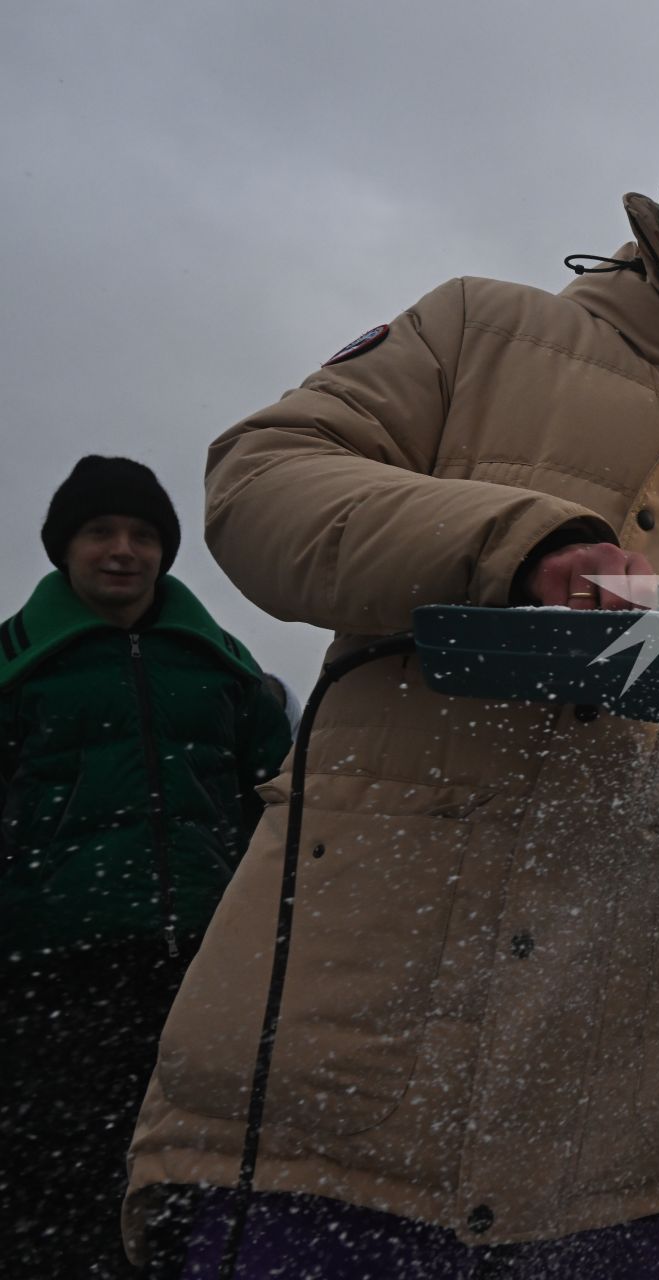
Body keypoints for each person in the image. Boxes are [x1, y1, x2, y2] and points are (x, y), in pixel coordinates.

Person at [124, 92, 659, 1276]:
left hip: (643, 1129)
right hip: (341, 1093)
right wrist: (519, 541)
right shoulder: (483, 332)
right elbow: (259, 482)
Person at [0, 456, 291, 1278]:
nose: (122, 550)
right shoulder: (17, 668)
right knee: (53, 1173)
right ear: (65, 547)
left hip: (202, 962)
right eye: (101, 532)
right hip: (49, 969)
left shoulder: (226, 669)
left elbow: (281, 804)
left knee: (189, 1160)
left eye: (142, 535)